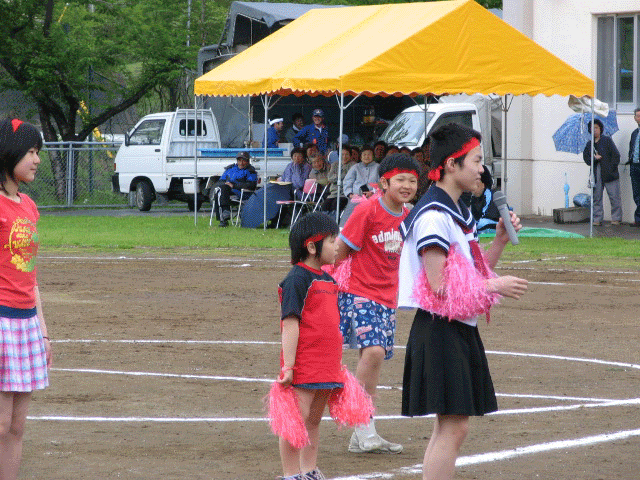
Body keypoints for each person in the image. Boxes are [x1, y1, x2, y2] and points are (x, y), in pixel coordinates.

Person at [398, 123, 528, 480]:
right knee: (453, 428)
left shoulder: (454, 211)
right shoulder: (434, 216)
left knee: (452, 426)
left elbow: (474, 273)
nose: (481, 169)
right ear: (451, 165)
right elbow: (440, 285)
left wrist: (499, 242)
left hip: (455, 328)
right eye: (476, 160)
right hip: (440, 329)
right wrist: (495, 285)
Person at [335, 153, 420, 454]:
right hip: (359, 292)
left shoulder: (411, 216)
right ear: (384, 183)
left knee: (373, 359)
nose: (407, 185)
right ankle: (362, 426)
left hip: (387, 298)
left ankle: (362, 433)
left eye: (413, 180)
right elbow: (340, 250)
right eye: (400, 179)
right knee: (373, 352)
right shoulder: (367, 210)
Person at [0, 118, 52, 480]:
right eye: (31, 152)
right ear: (10, 153)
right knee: (0, 424)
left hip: (26, 322)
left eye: (38, 152)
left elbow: (31, 276)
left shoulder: (29, 206)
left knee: (16, 428)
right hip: (1, 322)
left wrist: (43, 332)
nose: (36, 160)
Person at [275, 212, 342, 480]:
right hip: (304, 364)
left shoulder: (328, 280)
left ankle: (309, 470)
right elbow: (290, 323)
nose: (337, 245)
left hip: (327, 364)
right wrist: (289, 366)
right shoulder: (297, 279)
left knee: (313, 420)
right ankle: (291, 474)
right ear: (312, 247)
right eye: (332, 240)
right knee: (296, 420)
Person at [583, 118, 621, 226]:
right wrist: (594, 158)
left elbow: (616, 156)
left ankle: (616, 218)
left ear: (600, 129)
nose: (594, 130)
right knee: (596, 197)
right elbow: (587, 159)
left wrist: (611, 168)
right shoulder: (589, 144)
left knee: (614, 196)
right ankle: (597, 219)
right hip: (596, 173)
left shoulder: (607, 140)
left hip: (609, 173)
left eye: (596, 128)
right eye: (592, 128)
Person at [212, 151, 258, 227]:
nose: (241, 163)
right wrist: (227, 184)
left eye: (243, 161)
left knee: (219, 194)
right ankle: (225, 214)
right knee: (220, 190)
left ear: (248, 161)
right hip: (227, 192)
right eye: (239, 161)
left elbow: (251, 185)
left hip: (242, 193)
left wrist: (233, 185)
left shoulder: (250, 171)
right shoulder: (230, 169)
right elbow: (221, 181)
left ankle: (223, 218)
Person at [322, 145, 356, 214]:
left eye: (346, 154)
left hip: (345, 194)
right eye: (342, 154)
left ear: (350, 155)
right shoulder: (335, 164)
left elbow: (350, 179)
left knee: (335, 205)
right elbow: (330, 178)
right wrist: (343, 176)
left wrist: (337, 177)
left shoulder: (354, 165)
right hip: (334, 193)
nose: (344, 157)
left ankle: (334, 220)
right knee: (325, 206)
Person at [470, 165, 501, 232]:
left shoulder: (492, 196)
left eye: (477, 185)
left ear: (483, 184)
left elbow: (488, 219)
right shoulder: (473, 198)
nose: (473, 189)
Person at [627, 107, 640, 227]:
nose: (639, 118)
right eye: (638, 116)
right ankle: (638, 219)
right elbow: (631, 148)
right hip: (634, 166)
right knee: (636, 194)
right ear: (635, 118)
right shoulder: (634, 133)